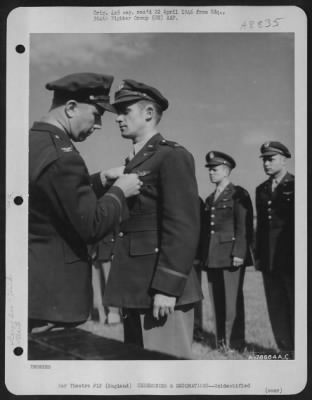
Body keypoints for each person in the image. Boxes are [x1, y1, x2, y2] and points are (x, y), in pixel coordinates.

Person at [29, 72, 141, 333]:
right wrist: (119, 192)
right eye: (96, 114)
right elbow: (91, 225)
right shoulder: (64, 156)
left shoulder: (34, 141)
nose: (100, 124)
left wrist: (100, 180)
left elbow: (51, 196)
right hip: (54, 299)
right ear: (70, 108)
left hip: (36, 289)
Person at [103, 79, 203, 359]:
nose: (118, 118)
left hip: (161, 292)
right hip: (135, 288)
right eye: (117, 112)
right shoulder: (134, 162)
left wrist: (167, 288)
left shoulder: (171, 156)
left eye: (125, 110)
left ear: (149, 113)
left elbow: (182, 226)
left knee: (166, 373)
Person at [200, 151, 253, 351]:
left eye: (214, 169)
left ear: (225, 170)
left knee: (232, 303)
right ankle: (221, 342)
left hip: (231, 255)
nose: (211, 173)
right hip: (213, 255)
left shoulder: (239, 194)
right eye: (209, 170)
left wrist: (240, 252)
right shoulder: (209, 198)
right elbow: (207, 230)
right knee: (218, 302)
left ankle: (235, 343)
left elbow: (243, 226)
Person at [255, 141, 294, 354]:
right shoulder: (261, 190)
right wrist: (259, 256)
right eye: (264, 160)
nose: (267, 164)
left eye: (271, 159)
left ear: (284, 159)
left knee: (296, 306)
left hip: (291, 259)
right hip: (269, 260)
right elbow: (261, 227)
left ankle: (301, 352)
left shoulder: (296, 185)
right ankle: (285, 350)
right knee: (276, 307)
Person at [91, 233, 121, 325]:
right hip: (93, 247)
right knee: (95, 283)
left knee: (110, 281)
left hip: (108, 246)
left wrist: (115, 249)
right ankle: (101, 313)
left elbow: (117, 226)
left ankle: (113, 312)